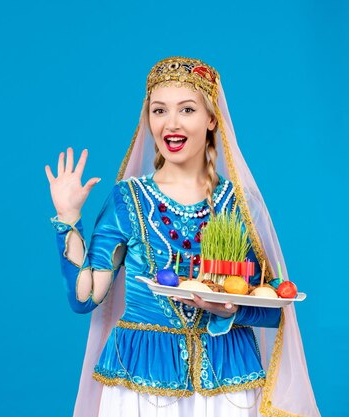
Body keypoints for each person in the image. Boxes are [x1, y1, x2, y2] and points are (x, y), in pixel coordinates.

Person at [44, 56, 320, 417]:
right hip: (141, 377)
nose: (170, 124)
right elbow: (85, 297)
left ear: (210, 119)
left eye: (186, 110)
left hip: (228, 378)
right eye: (159, 111)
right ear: (148, 119)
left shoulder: (238, 204)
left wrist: (232, 308)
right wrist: (68, 217)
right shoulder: (127, 200)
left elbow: (270, 308)